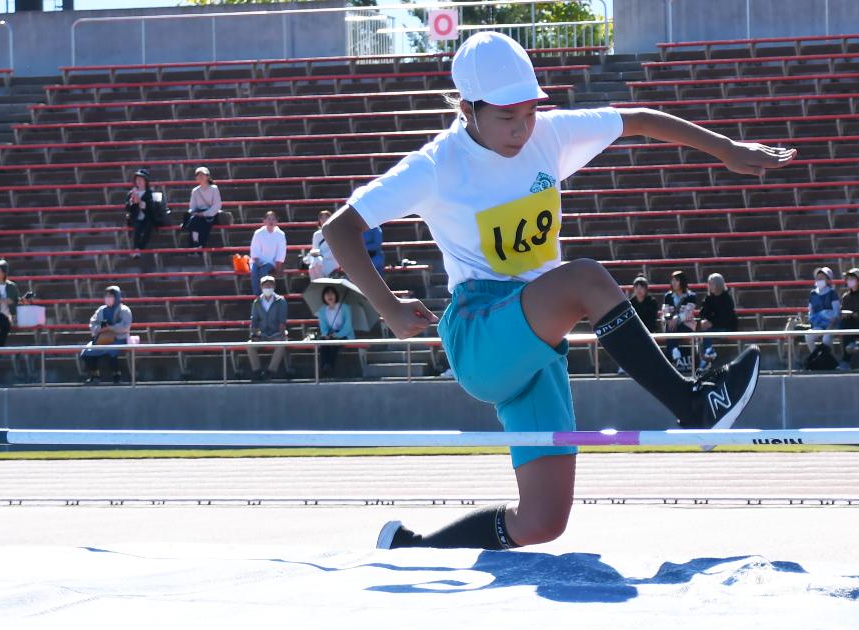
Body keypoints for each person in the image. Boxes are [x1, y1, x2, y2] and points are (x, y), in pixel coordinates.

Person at [322, 30, 788, 553]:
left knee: (542, 521)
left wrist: (725, 148)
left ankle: (410, 548)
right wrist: (388, 308)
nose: (522, 129)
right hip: (480, 335)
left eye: (529, 112)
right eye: (506, 116)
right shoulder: (436, 165)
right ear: (467, 108)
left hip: (536, 346)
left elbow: (636, 119)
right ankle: (692, 404)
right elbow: (341, 229)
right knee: (584, 279)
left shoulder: (548, 134)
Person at [80, 285, 134, 383]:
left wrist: (110, 327)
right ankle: (95, 376)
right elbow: (92, 323)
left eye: (111, 296)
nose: (108, 298)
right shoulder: (101, 310)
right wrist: (100, 328)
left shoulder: (124, 310)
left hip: (119, 338)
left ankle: (117, 376)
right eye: (107, 296)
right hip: (102, 338)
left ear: (117, 297)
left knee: (111, 351)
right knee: (86, 353)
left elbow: (125, 326)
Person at [247, 275, 290, 380]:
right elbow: (254, 320)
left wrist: (282, 333)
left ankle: (271, 370)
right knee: (249, 345)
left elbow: (282, 319)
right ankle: (257, 371)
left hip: (276, 334)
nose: (268, 287)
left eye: (270, 285)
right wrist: (255, 334)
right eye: (265, 285)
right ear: (261, 287)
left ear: (274, 286)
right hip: (262, 334)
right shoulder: (257, 302)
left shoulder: (281, 301)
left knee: (282, 344)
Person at [696, 271, 739, 368]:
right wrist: (705, 320)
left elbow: (726, 318)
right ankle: (704, 357)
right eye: (709, 283)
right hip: (713, 326)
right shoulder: (709, 297)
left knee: (707, 333)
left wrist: (712, 323)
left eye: (712, 283)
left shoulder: (727, 299)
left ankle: (708, 353)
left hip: (726, 327)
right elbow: (703, 313)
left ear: (718, 284)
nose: (710, 286)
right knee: (699, 333)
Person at [662, 269, 700, 370]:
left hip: (686, 326)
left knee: (671, 330)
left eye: (676, 280)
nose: (673, 283)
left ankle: (673, 356)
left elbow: (687, 313)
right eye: (672, 280)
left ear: (682, 281)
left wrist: (676, 319)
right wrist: (669, 319)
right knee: (670, 328)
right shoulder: (668, 296)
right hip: (672, 326)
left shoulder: (691, 296)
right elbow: (665, 311)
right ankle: (675, 354)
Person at [314, 283, 355, 376]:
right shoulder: (322, 311)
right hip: (331, 334)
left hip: (344, 335)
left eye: (332, 293)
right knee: (323, 341)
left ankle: (329, 365)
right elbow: (323, 328)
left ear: (336, 295)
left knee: (335, 341)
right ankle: (325, 365)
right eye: (327, 293)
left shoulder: (345, 308)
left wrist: (336, 335)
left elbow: (348, 327)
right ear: (323, 297)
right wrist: (326, 335)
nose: (329, 296)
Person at [248, 211, 289, 295]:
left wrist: (278, 265)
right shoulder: (258, 233)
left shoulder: (280, 234)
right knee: (254, 271)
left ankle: (264, 294)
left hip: (271, 262)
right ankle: (257, 295)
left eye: (273, 219)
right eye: (269, 219)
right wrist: (257, 261)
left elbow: (281, 251)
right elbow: (254, 249)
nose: (271, 221)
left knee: (264, 271)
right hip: (258, 261)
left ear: (276, 221)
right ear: (264, 221)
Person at [806, 266, 842, 361]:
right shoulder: (813, 294)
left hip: (831, 324)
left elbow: (836, 313)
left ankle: (830, 360)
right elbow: (811, 311)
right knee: (808, 336)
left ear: (828, 279)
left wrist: (830, 326)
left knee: (826, 339)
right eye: (818, 277)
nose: (819, 279)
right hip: (818, 325)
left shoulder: (832, 293)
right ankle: (817, 358)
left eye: (822, 277)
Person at [124, 171, 165, 252]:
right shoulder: (131, 193)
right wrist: (132, 202)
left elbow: (153, 208)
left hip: (148, 217)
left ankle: (140, 248)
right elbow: (127, 208)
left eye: (141, 179)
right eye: (137, 179)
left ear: (146, 181)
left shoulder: (151, 193)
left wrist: (140, 202)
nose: (139, 181)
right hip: (136, 218)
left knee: (148, 228)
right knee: (137, 228)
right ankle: (136, 248)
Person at [184, 166, 223, 250]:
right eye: (198, 175)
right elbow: (192, 206)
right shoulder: (195, 191)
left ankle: (200, 245)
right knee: (193, 221)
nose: (200, 177)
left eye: (202, 175)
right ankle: (195, 244)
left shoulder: (214, 189)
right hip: (198, 214)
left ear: (207, 176)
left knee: (201, 223)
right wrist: (195, 212)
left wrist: (205, 214)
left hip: (211, 215)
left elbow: (217, 205)